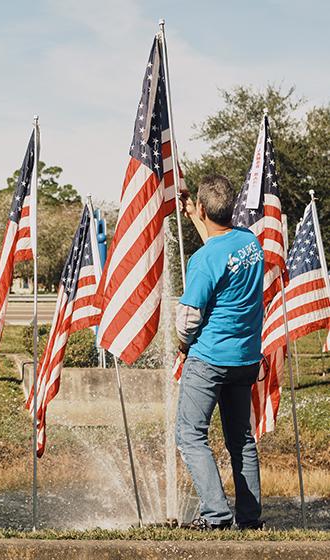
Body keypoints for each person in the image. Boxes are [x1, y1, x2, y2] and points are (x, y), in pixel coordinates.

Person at [176, 175, 264, 530]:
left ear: (202, 207)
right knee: (240, 439)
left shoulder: (203, 260)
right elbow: (221, 249)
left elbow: (188, 319)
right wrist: (194, 215)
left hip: (209, 360)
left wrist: (183, 347)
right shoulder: (250, 243)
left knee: (190, 434)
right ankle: (249, 518)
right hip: (244, 360)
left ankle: (216, 516)